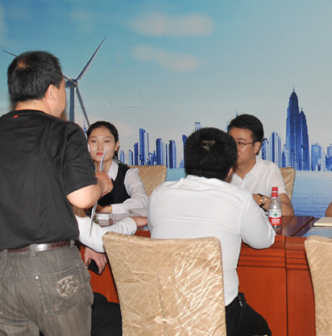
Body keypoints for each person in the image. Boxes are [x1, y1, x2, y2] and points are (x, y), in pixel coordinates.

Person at [0, 50, 112, 336]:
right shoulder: (63, 132)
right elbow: (81, 197)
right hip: (50, 266)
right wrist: (101, 184)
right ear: (52, 91)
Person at [148, 127, 275, 336]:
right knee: (261, 329)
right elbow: (264, 240)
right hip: (217, 316)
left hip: (164, 312)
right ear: (230, 169)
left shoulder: (158, 194)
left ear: (187, 162)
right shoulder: (238, 198)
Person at [76, 214, 147, 336]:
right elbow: (101, 239)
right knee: (124, 317)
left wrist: (89, 242)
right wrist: (133, 221)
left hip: (44, 294)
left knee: (99, 299)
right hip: (54, 302)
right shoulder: (56, 204)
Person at [228, 114, 293, 216]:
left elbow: (287, 212)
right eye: (230, 142)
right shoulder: (219, 170)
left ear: (256, 147)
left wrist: (259, 200)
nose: (233, 148)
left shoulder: (269, 170)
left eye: (240, 143)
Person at [87, 121, 149, 215]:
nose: (100, 147)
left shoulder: (128, 174)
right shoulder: (81, 173)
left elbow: (143, 201)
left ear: (116, 145)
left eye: (106, 141)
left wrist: (109, 209)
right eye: (94, 141)